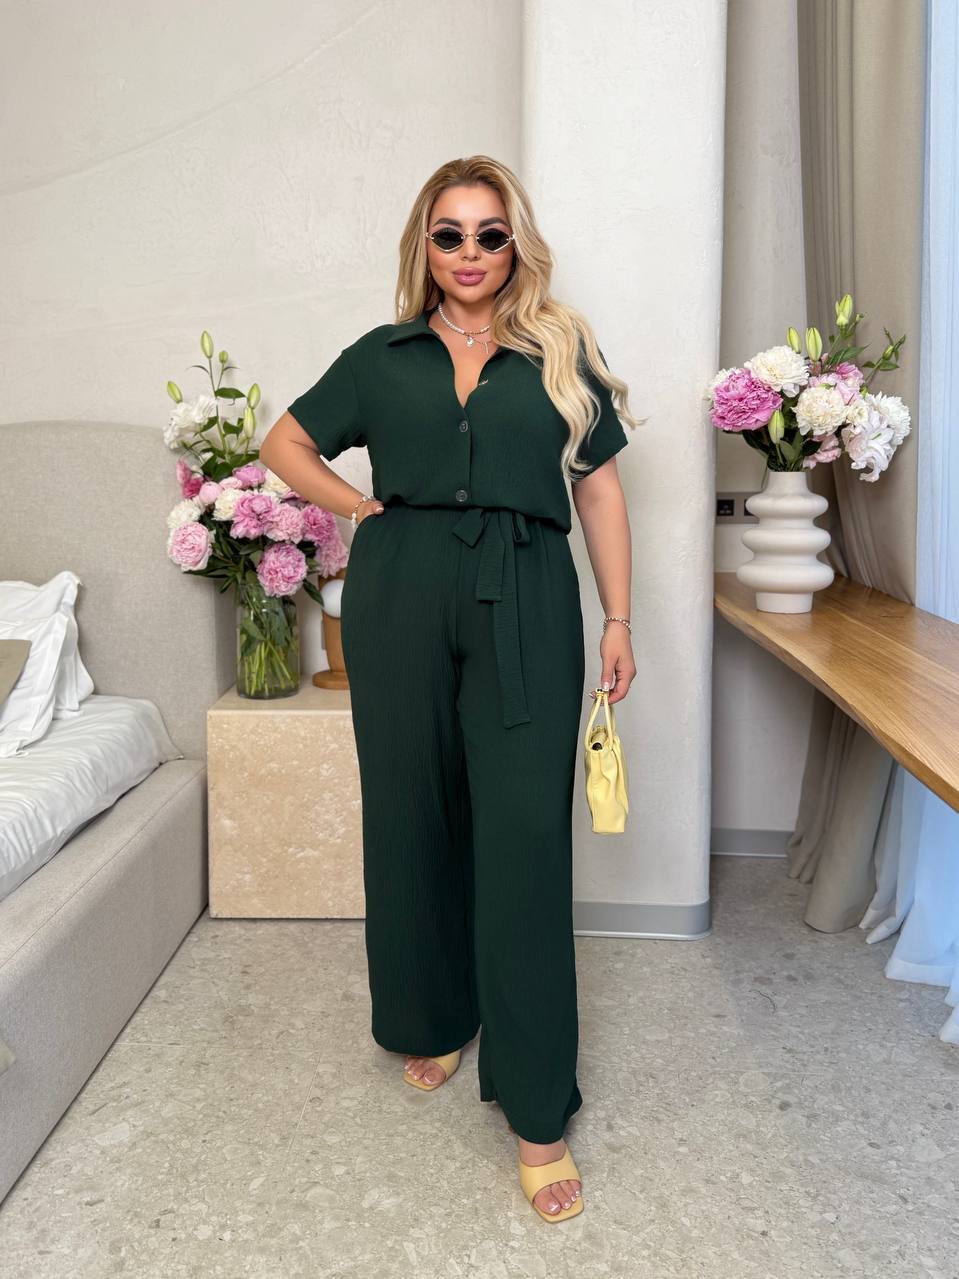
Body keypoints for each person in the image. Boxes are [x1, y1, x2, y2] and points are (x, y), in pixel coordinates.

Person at [260, 154, 638, 1223]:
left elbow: (599, 491)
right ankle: (431, 1012)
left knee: (522, 837)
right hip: (400, 595)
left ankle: (536, 1107)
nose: (469, 253)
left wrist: (617, 617)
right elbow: (283, 441)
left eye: (488, 233)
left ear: (515, 245)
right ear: (422, 247)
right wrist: (357, 507)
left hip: (524, 592)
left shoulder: (558, 352)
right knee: (411, 811)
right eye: (448, 234)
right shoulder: (378, 357)